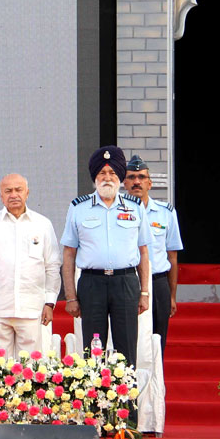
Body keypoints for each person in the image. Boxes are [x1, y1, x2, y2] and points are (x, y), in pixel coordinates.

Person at [61, 146, 150, 367]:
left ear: (120, 177)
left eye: (112, 173)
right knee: (93, 351)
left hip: (126, 282)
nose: (107, 178)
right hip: (92, 283)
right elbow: (69, 254)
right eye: (102, 173)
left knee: (127, 349)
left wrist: (145, 292)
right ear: (95, 177)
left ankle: (127, 401)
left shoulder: (135, 207)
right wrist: (70, 296)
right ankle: (94, 400)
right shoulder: (78, 207)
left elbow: (143, 252)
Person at [0, 173, 61, 360]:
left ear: (27, 193)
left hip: (32, 309)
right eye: (8, 191)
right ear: (1, 196)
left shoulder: (42, 224)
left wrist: (49, 302)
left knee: (30, 371)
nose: (14, 195)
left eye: (18, 190)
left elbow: (52, 265)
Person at [123, 155, 182, 351]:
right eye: (131, 177)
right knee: (127, 337)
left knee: (157, 338)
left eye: (141, 177)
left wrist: (172, 295)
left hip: (157, 283)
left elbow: (172, 257)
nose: (136, 181)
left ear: (150, 183)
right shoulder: (116, 210)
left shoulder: (166, 212)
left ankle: (156, 380)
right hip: (127, 281)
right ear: (124, 182)